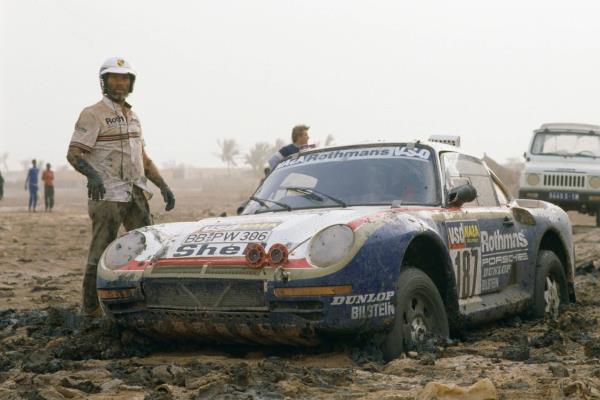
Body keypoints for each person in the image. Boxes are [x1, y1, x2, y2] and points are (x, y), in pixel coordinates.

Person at [66, 56, 176, 316]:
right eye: (114, 78)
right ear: (103, 82)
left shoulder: (133, 116)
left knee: (147, 248)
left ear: (131, 83)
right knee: (100, 252)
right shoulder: (92, 114)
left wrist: (163, 185)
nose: (119, 83)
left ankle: (144, 303)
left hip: (136, 193)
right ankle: (90, 310)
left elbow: (143, 159)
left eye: (125, 78)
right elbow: (74, 154)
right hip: (107, 196)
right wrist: (93, 177)